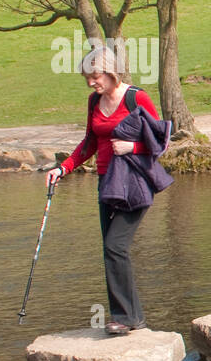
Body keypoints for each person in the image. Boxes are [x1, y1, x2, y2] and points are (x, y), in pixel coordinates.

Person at [45, 46, 161, 336]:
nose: (90, 83)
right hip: (106, 181)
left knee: (115, 246)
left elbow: (160, 140)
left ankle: (125, 317)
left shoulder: (137, 98)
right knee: (111, 250)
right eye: (87, 78)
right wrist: (63, 168)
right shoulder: (94, 101)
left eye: (94, 76)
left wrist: (133, 147)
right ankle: (133, 318)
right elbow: (89, 143)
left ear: (110, 72)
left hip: (134, 181)